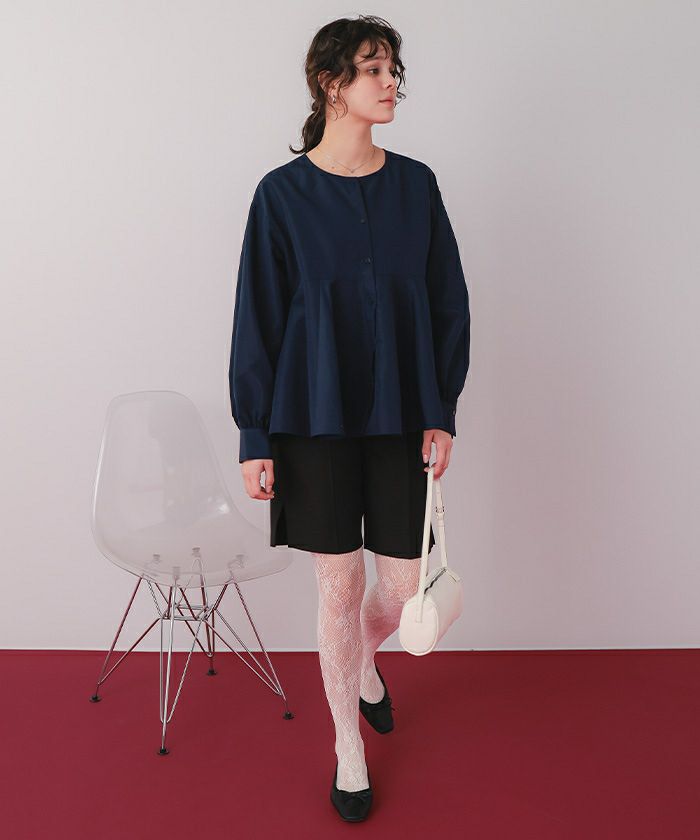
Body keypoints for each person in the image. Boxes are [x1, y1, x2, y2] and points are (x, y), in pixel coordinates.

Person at [228, 14, 470, 822]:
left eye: (394, 68)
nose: (391, 81)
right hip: (311, 421)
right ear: (331, 83)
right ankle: (347, 748)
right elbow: (257, 319)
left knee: (400, 589)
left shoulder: (417, 187)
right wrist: (255, 435)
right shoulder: (281, 196)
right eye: (374, 68)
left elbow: (447, 302)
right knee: (338, 586)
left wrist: (442, 410)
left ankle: (362, 662)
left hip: (403, 417)